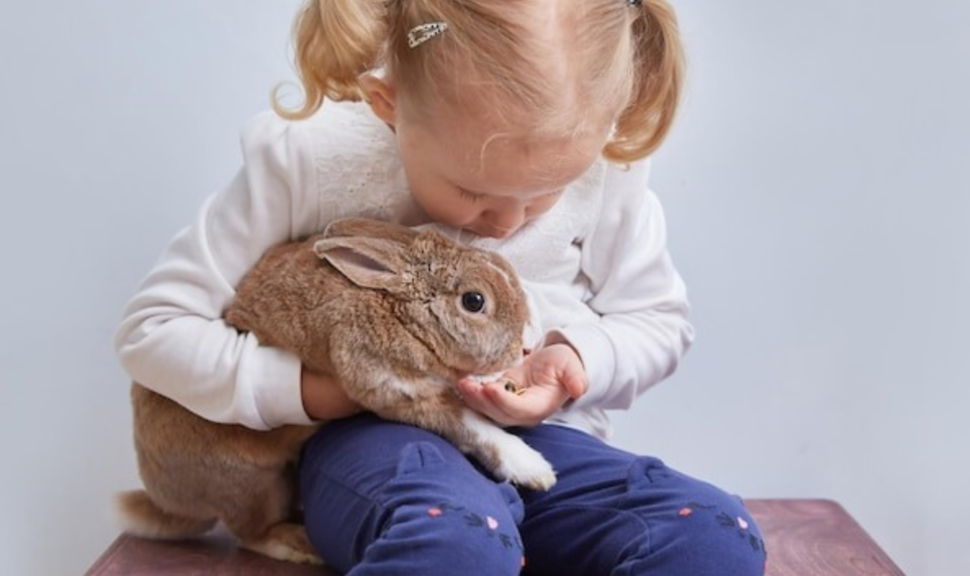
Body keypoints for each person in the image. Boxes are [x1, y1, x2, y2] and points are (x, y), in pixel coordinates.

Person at [115, 0, 766, 574]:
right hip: (376, 448)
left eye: (545, 192)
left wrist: (574, 362)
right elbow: (154, 329)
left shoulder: (607, 167)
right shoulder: (309, 160)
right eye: (474, 190)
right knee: (453, 544)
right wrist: (313, 393)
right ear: (388, 103)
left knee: (712, 537)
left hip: (544, 445)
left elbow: (658, 320)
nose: (508, 222)